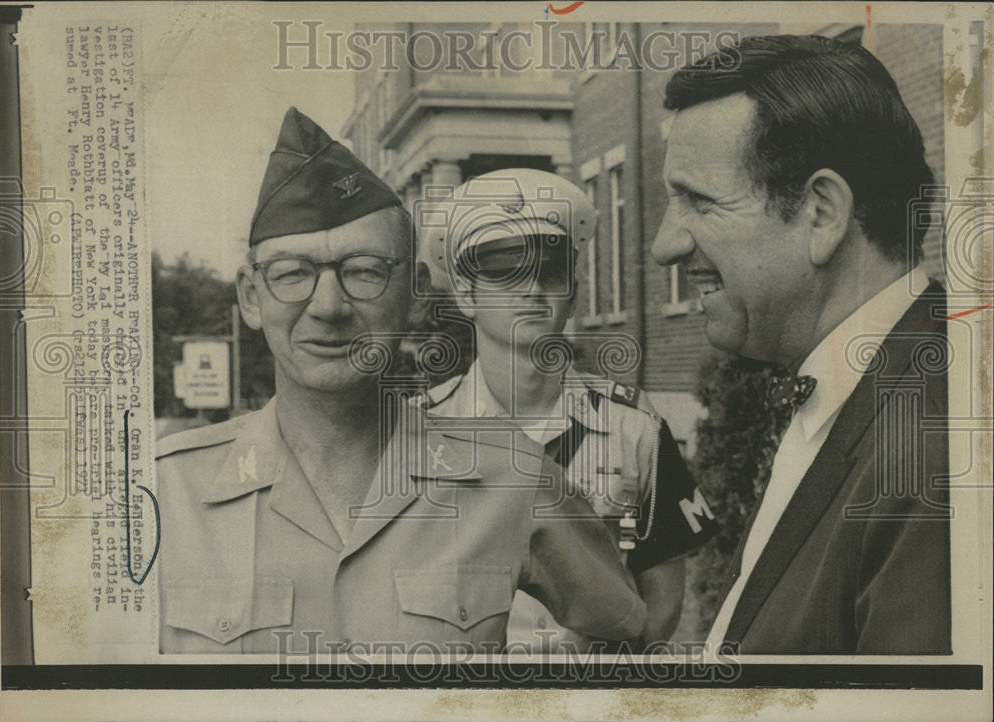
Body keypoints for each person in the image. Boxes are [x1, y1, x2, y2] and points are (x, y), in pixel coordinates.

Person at [156, 108, 645, 654]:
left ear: (415, 293)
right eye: (292, 273)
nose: (328, 307)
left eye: (364, 271)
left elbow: (624, 630)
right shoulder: (162, 494)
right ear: (251, 296)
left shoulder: (513, 477)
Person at [651, 35, 951, 654]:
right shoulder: (858, 392)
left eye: (698, 201)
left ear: (821, 214)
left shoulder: (936, 448)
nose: (665, 245)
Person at [416, 168, 717, 653]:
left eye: (550, 272)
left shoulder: (633, 427)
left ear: (572, 293)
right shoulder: (420, 431)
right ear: (465, 294)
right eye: (505, 269)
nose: (532, 289)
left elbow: (661, 599)